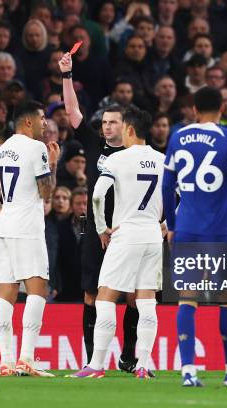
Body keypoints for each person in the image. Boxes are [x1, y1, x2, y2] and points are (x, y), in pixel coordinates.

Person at [162, 87, 227, 387]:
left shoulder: (178, 136)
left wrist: (171, 224)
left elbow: (167, 186)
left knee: (187, 299)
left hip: (188, 230)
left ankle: (189, 371)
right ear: (222, 110)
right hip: (222, 232)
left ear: (194, 109)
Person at [59, 51, 140, 372]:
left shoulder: (138, 152)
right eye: (104, 122)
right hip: (95, 229)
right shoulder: (93, 144)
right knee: (91, 293)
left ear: (126, 126)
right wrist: (66, 75)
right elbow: (71, 110)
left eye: (113, 122)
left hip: (127, 230)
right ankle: (93, 360)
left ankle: (129, 355)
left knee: (133, 295)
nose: (106, 127)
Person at [70, 106, 163, 379]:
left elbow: (98, 196)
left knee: (105, 297)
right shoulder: (163, 159)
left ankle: (96, 365)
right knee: (146, 301)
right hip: (152, 236)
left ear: (130, 129)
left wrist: (101, 229)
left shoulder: (118, 160)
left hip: (126, 233)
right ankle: (143, 365)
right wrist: (169, 225)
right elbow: (181, 197)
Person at [0, 100, 59, 377]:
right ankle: (26, 358)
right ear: (28, 122)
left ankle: (6, 361)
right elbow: (46, 194)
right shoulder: (37, 148)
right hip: (27, 228)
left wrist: (1, 208)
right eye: (42, 118)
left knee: (6, 292)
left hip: (6, 227)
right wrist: (54, 165)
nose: (45, 123)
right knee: (38, 291)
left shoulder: (6, 146)